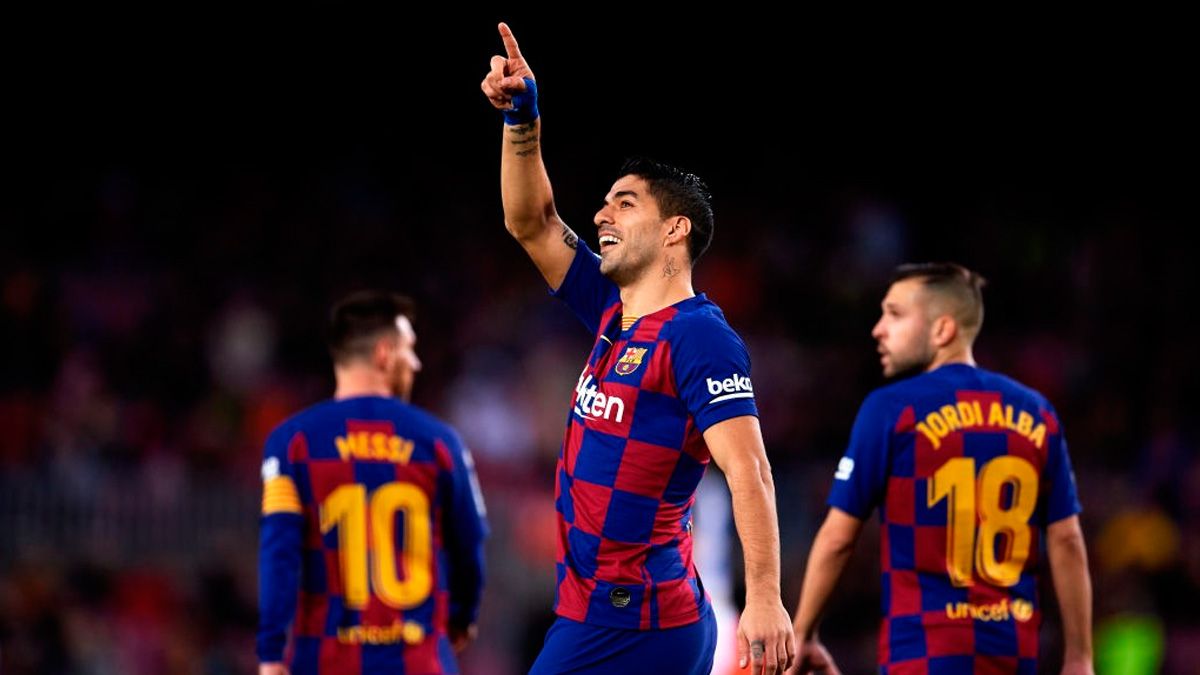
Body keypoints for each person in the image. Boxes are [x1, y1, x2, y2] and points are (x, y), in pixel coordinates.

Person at [480, 22, 794, 675]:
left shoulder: (698, 335)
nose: (601, 216)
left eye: (624, 203)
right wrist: (522, 119)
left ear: (675, 229)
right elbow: (530, 222)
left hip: (638, 620)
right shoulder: (611, 308)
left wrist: (764, 595)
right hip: (599, 610)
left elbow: (750, 470)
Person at [786, 263, 1093, 675]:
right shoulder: (1037, 413)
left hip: (922, 654)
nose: (878, 329)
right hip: (1013, 654)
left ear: (942, 330)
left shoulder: (893, 408)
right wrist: (1080, 656)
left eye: (895, 314)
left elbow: (839, 539)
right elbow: (1068, 540)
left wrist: (804, 633)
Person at [257, 291, 488, 675]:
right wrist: (463, 617)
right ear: (384, 353)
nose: (416, 363)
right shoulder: (440, 443)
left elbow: (279, 555)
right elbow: (469, 545)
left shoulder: (291, 444)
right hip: (418, 663)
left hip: (325, 662)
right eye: (410, 349)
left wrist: (270, 653)